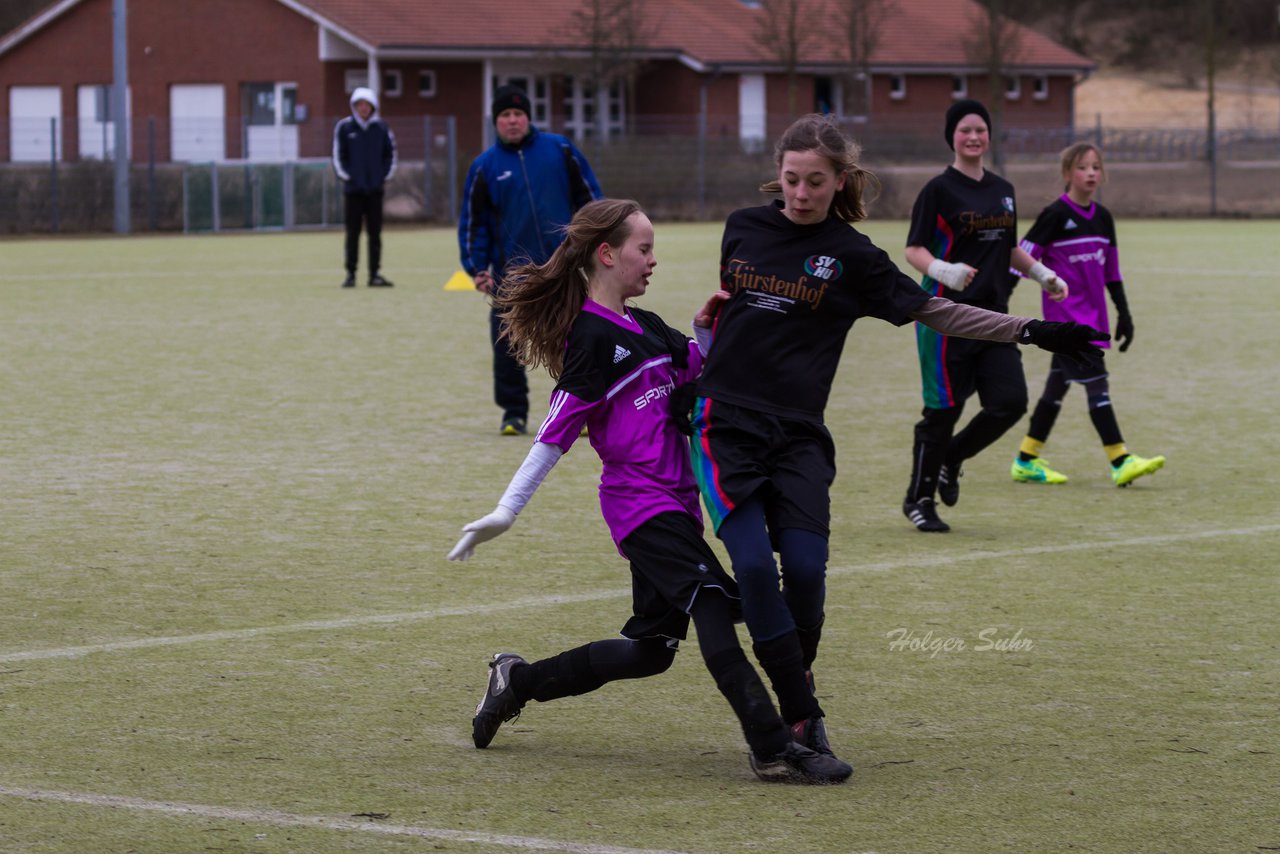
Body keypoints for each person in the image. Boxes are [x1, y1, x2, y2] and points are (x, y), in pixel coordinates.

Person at [686, 114, 1103, 761]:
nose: (799, 194)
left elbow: (935, 310)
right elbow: (733, 316)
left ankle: (795, 683)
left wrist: (1028, 329)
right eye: (791, 180)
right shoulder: (743, 226)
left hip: (798, 435)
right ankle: (800, 718)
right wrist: (704, 332)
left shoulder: (854, 257)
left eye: (815, 183)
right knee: (753, 572)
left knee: (804, 572)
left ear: (840, 181)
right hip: (725, 425)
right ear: (779, 174)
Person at [447, 199, 851, 785]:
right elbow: (556, 432)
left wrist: (712, 329)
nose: (653, 260)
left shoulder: (649, 326)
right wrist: (506, 511)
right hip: (640, 508)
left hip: (679, 507)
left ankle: (519, 680)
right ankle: (771, 745)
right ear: (607, 255)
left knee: (652, 650)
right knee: (713, 604)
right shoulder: (589, 338)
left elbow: (706, 374)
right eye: (644, 248)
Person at [900, 98, 1076, 533]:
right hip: (946, 316)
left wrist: (1041, 274)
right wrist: (944, 270)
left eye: (980, 129)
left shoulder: (1003, 189)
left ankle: (953, 458)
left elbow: (1008, 247)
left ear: (989, 136)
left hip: (995, 318)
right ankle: (919, 499)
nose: (974, 137)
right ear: (952, 138)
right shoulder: (938, 191)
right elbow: (914, 249)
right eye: (965, 130)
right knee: (943, 410)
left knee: (1010, 401)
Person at [1010, 142, 1166, 487]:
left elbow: (1112, 271)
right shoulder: (1054, 216)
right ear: (1067, 174)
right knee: (1097, 383)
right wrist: (998, 301)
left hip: (1095, 318)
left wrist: (1124, 313)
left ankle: (1026, 458)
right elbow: (1020, 257)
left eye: (1096, 167)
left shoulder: (1103, 218)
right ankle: (1120, 459)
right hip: (1065, 321)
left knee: (1057, 387)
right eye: (1083, 167)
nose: (1091, 173)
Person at [458, 84, 603, 436]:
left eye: (518, 114)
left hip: (564, 266)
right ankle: (513, 413)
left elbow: (591, 201)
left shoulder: (560, 150)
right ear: (496, 122)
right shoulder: (485, 167)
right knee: (507, 343)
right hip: (512, 275)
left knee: (578, 337)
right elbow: (473, 225)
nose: (512, 121)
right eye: (505, 115)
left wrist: (596, 244)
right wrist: (477, 268)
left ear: (528, 118)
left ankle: (579, 409)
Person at [332, 86, 397, 288]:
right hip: (353, 192)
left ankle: (374, 274)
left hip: (375, 191)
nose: (363, 108)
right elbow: (338, 156)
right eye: (359, 105)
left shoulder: (382, 129)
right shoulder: (344, 128)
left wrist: (382, 177)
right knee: (352, 234)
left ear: (372, 107)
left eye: (366, 105)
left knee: (375, 234)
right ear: (354, 106)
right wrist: (348, 178)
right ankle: (350, 274)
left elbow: (391, 155)